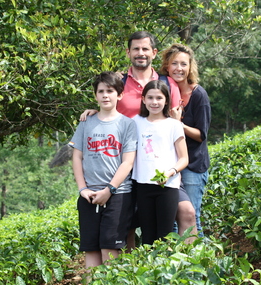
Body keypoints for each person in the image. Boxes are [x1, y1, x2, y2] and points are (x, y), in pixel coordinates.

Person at [80, 31, 197, 247]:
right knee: (128, 224)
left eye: (145, 49)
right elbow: (108, 106)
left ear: (153, 53)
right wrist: (93, 112)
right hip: (126, 167)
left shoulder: (167, 82)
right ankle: (133, 273)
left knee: (187, 213)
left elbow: (174, 120)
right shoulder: (119, 81)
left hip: (162, 169)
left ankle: (188, 267)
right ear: (128, 52)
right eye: (136, 49)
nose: (140, 53)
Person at [69, 71, 137, 268]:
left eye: (110, 91)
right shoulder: (86, 122)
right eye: (101, 91)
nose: (105, 95)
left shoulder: (127, 124)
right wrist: (83, 189)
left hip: (118, 194)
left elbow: (127, 162)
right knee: (90, 249)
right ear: (95, 95)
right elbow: (77, 156)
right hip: (89, 195)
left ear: (120, 95)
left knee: (110, 248)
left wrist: (109, 190)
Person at [160, 43, 211, 238]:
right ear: (166, 66)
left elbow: (201, 135)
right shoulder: (163, 92)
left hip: (193, 165)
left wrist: (178, 124)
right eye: (174, 63)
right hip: (170, 164)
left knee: (191, 216)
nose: (179, 69)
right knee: (173, 218)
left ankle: (200, 262)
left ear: (190, 67)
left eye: (183, 64)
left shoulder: (199, 95)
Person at [132, 80, 189, 245]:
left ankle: (166, 269)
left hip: (167, 186)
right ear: (143, 99)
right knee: (147, 236)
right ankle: (149, 269)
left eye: (159, 98)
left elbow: (184, 158)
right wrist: (94, 111)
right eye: (150, 98)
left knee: (165, 235)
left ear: (166, 101)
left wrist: (170, 172)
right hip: (142, 185)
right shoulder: (135, 122)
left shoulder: (174, 125)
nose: (154, 102)